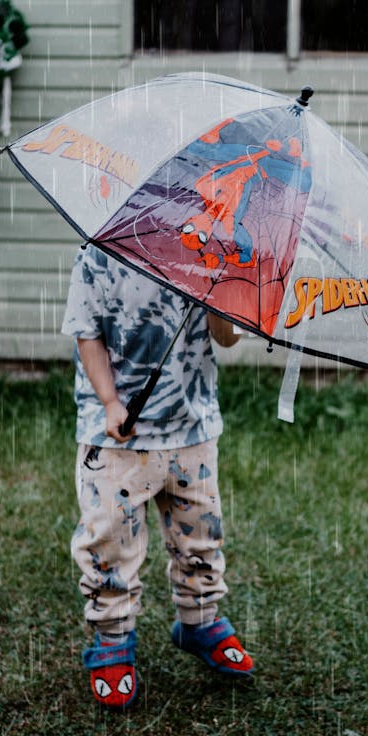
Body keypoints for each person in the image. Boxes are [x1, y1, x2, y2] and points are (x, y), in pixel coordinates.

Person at [61, 244, 254, 710]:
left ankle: (200, 618)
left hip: (192, 430)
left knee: (201, 532)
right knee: (110, 538)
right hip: (118, 436)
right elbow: (87, 334)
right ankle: (112, 637)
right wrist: (109, 401)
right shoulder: (99, 255)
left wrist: (220, 296)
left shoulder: (211, 256)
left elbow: (227, 339)